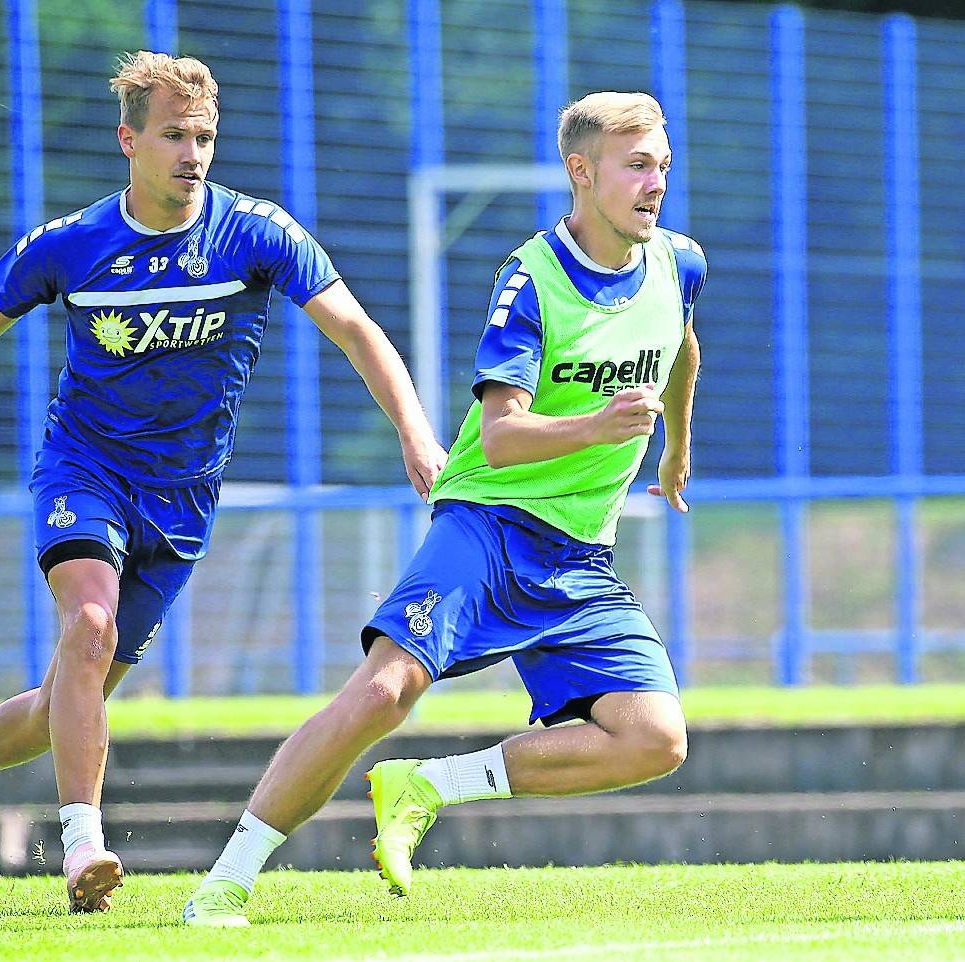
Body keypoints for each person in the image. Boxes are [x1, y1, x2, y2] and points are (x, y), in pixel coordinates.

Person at [182, 90, 705, 927]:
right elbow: (500, 439)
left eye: (663, 168)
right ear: (583, 171)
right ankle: (226, 881)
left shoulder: (678, 262)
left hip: (580, 555)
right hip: (489, 525)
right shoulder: (529, 279)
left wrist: (676, 448)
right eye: (638, 166)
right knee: (387, 690)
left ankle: (427, 785)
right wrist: (600, 426)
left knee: (655, 738)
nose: (656, 185)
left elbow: (681, 344)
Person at [0, 51, 446, 913]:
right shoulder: (70, 245)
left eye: (205, 137)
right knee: (87, 625)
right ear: (129, 140)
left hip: (183, 502)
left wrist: (416, 435)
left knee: (61, 701)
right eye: (173, 136)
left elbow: (357, 330)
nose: (192, 153)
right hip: (85, 469)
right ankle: (83, 847)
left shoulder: (254, 233)